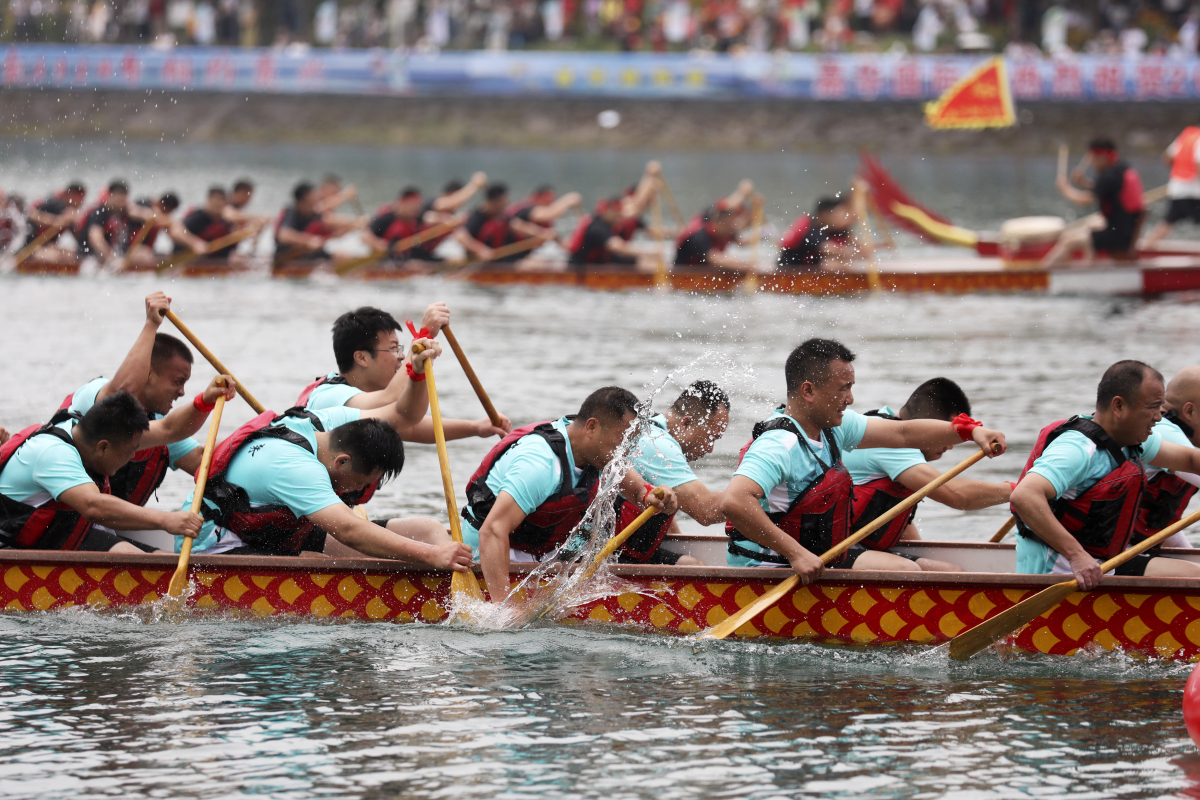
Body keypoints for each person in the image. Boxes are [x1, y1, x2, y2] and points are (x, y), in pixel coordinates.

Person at [720, 339, 1006, 582]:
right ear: (808, 391)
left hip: (816, 559)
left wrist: (970, 431)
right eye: (842, 388)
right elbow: (734, 502)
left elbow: (903, 432)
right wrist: (797, 554)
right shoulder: (779, 443)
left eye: (851, 387)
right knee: (906, 574)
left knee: (947, 572)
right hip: (769, 569)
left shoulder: (834, 428)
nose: (851, 398)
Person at [184, 337, 473, 570]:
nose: (358, 491)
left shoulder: (328, 422)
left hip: (270, 530)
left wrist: (417, 371)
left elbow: (403, 415)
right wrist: (430, 557)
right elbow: (349, 530)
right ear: (342, 461)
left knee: (424, 530)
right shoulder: (296, 468)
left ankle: (451, 579)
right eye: (360, 483)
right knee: (325, 560)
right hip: (212, 540)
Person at [463, 386, 680, 603]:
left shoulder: (593, 448)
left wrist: (651, 495)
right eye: (620, 442)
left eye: (628, 445)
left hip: (538, 553)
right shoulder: (540, 464)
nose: (623, 453)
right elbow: (492, 531)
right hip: (488, 555)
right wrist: (505, 610)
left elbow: (636, 487)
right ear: (592, 427)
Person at [1010, 360, 1200, 589]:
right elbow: (1024, 496)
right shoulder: (1078, 449)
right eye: (1152, 406)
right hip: (1063, 573)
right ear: (1118, 406)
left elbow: (1190, 460)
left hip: (1102, 564)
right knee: (1192, 577)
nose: (1159, 417)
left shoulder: (1133, 442)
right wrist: (1076, 556)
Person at [62, 291, 237, 505]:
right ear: (149, 373)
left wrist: (264, 438)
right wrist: (151, 325)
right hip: (68, 515)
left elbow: (202, 458)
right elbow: (122, 392)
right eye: (177, 381)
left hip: (111, 525)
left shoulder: (154, 426)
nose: (182, 392)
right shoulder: (94, 394)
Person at [0, 391, 204, 553]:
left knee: (161, 558)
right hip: (11, 548)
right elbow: (93, 506)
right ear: (103, 448)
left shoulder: (82, 430)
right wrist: (166, 520)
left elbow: (169, 429)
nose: (132, 458)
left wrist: (205, 401)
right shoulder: (54, 454)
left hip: (56, 537)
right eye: (129, 452)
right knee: (131, 556)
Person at [842, 378, 1013, 570]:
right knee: (909, 570)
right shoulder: (890, 443)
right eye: (946, 435)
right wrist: (1017, 491)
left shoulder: (883, 419)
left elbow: (894, 517)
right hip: (829, 549)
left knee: (951, 571)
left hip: (857, 546)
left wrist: (923, 552)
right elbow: (957, 496)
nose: (949, 446)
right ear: (930, 426)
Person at [296, 305, 511, 442]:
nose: (401, 357)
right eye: (393, 349)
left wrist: (476, 427)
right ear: (361, 358)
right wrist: (422, 338)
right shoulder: (329, 398)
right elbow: (393, 399)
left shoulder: (365, 405)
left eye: (402, 349)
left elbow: (411, 426)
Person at [625, 380, 732, 565]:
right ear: (686, 423)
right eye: (711, 437)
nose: (710, 449)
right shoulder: (658, 444)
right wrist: (756, 497)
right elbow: (706, 511)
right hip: (607, 558)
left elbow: (671, 524)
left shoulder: (652, 428)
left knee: (692, 564)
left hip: (628, 550)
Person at [1042, 138, 1145, 267]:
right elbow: (1105, 191)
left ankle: (1042, 274)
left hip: (1118, 235)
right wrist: (1083, 182)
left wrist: (1065, 189)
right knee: (1080, 230)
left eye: (1093, 158)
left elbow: (1085, 201)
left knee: (1069, 241)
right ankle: (1088, 267)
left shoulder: (1108, 176)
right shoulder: (1121, 168)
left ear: (1101, 156)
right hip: (1125, 229)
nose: (1091, 163)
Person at [1131, 366, 1200, 548]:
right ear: (1190, 411)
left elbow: (1160, 524)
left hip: (1130, 548)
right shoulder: (1163, 432)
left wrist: (1189, 553)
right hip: (1097, 560)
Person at [457, 183, 555, 263]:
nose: (504, 206)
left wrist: (541, 234)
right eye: (502, 203)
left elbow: (518, 226)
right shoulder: (477, 217)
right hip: (483, 261)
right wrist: (481, 250)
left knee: (542, 262)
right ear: (493, 202)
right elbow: (461, 236)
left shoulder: (501, 215)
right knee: (535, 265)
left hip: (501, 257)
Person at [274, 181, 362, 262]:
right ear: (302, 202)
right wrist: (309, 241)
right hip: (287, 256)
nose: (315, 203)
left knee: (343, 256)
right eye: (311, 200)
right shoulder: (290, 212)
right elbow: (284, 235)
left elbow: (331, 225)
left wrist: (354, 225)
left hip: (307, 252)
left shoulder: (312, 213)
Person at [1143, 125, 1200, 249]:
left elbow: (1167, 159)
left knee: (1167, 223)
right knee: (1168, 222)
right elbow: (1198, 164)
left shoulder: (1186, 136)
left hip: (1178, 189)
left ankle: (1147, 247)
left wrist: (1181, 171)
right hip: (1194, 193)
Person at [566, 198, 655, 268]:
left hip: (600, 261)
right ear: (607, 211)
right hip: (581, 266)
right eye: (616, 214)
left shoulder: (608, 225)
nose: (618, 218)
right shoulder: (597, 227)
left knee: (643, 261)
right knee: (644, 260)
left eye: (619, 214)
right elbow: (617, 246)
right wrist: (649, 252)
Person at [777, 197, 859, 270]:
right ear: (824, 214)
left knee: (842, 263)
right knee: (832, 263)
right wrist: (857, 253)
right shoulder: (810, 228)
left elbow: (855, 241)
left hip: (811, 268)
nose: (838, 218)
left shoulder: (831, 228)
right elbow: (829, 249)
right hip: (791, 270)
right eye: (835, 215)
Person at [364, 187, 440, 262]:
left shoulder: (417, 216)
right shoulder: (388, 218)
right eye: (411, 207)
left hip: (409, 255)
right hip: (388, 257)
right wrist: (379, 245)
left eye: (417, 207)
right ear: (402, 203)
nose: (415, 210)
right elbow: (365, 235)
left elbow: (432, 217)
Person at [78, 180, 142, 266]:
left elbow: (153, 216)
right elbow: (96, 239)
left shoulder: (127, 213)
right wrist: (113, 260)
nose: (121, 203)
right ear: (110, 196)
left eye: (123, 199)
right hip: (91, 257)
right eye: (118, 199)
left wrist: (142, 214)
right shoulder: (98, 213)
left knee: (143, 254)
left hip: (116, 256)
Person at [22, 181, 86, 265]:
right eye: (79, 197)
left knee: (74, 256)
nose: (81, 201)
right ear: (69, 195)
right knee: (57, 257)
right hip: (30, 248)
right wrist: (56, 221)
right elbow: (31, 214)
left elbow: (79, 239)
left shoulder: (70, 213)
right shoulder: (55, 203)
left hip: (46, 246)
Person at [673, 207, 754, 270]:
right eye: (729, 224)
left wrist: (764, 233)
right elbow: (716, 259)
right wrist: (747, 266)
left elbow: (742, 243)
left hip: (707, 271)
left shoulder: (727, 231)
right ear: (719, 222)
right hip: (687, 273)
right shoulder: (700, 237)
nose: (732, 228)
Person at [178, 187, 235, 257]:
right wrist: (194, 243)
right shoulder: (195, 218)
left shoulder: (226, 222)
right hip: (190, 258)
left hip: (213, 259)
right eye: (216, 199)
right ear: (208, 200)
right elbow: (178, 232)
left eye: (221, 200)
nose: (218, 203)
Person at [506, 185, 581, 228]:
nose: (551, 203)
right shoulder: (525, 209)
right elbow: (549, 214)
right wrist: (569, 200)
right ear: (537, 197)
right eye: (548, 201)